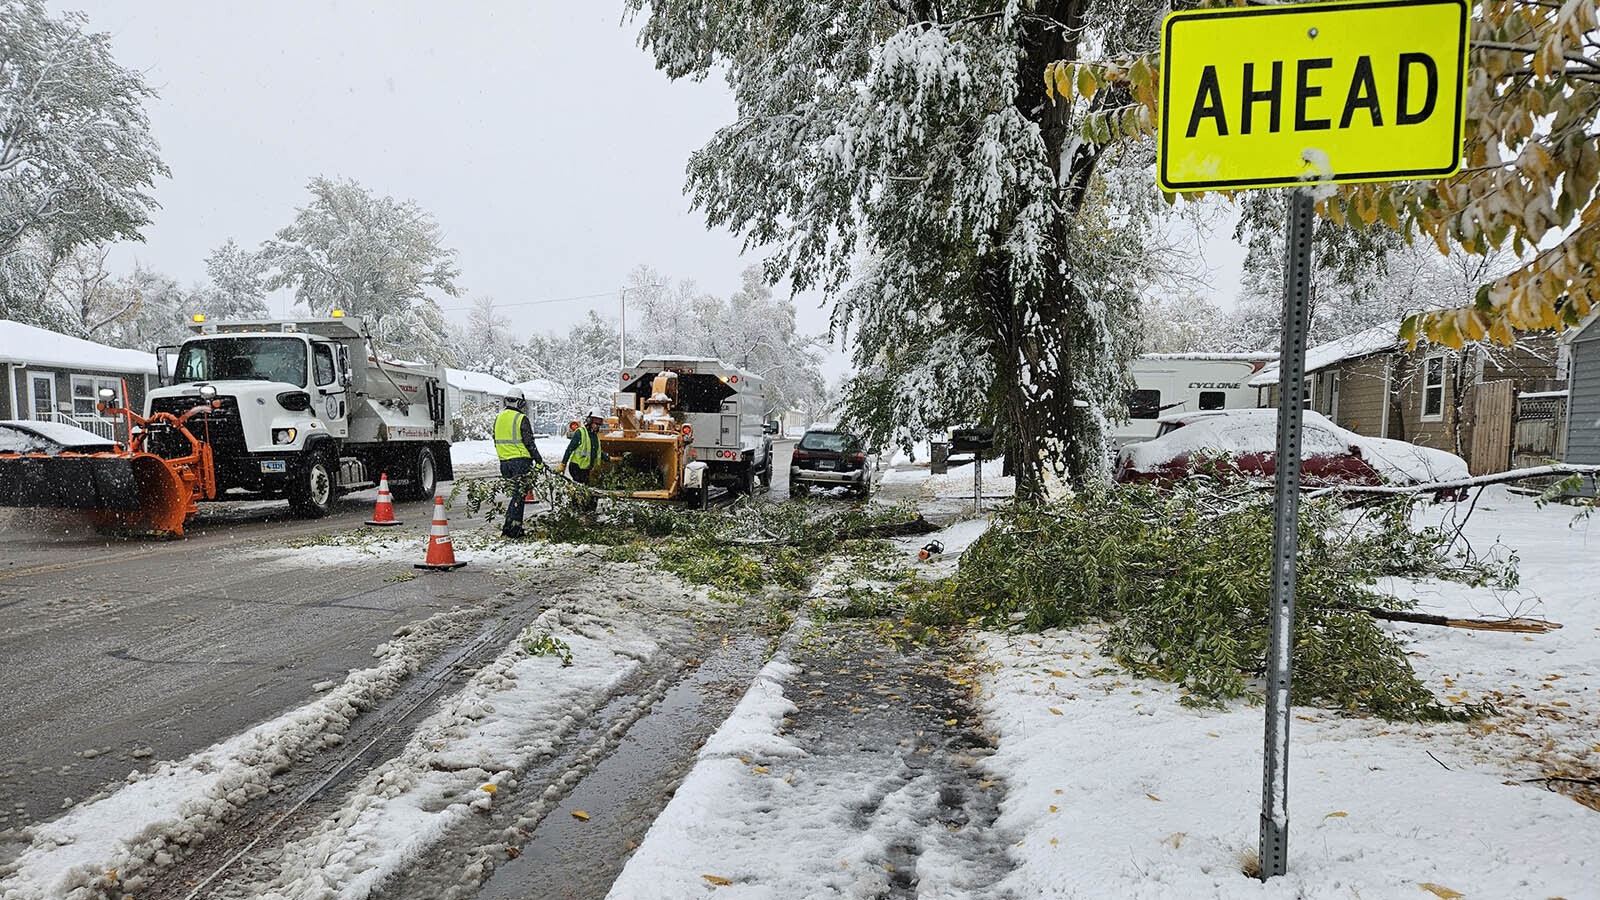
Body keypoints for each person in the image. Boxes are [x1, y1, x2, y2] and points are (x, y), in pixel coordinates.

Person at [493, 388, 545, 538]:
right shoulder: (521, 419)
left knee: (515, 495)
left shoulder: (499, 418)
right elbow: (529, 443)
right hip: (520, 462)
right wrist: (539, 461)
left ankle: (510, 528)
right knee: (518, 496)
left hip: (504, 463)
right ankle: (512, 529)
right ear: (520, 402)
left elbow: (495, 440)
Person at [562, 409, 606, 509]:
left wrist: (608, 458)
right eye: (596, 424)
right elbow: (570, 449)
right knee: (581, 491)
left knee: (590, 492)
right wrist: (563, 464)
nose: (598, 426)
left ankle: (587, 511)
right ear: (590, 422)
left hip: (587, 469)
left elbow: (596, 451)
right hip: (577, 467)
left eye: (599, 424)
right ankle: (577, 510)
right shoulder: (580, 433)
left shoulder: (595, 437)